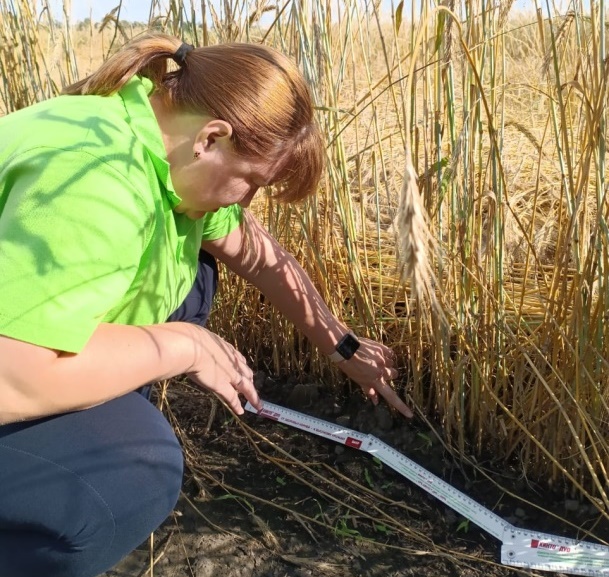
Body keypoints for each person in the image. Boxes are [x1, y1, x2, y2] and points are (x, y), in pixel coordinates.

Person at [0, 33, 413, 577]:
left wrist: (341, 343)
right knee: (130, 471)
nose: (247, 201)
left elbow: (262, 257)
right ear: (213, 138)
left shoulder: (162, 143)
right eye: (252, 184)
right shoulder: (97, 182)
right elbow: (12, 380)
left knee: (194, 273)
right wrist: (180, 346)